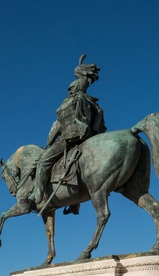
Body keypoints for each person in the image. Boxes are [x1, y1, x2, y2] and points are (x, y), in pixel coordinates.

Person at [32, 54, 106, 216]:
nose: (69, 90)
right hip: (90, 138)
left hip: (70, 139)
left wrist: (50, 141)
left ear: (73, 88)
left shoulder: (68, 103)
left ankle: (37, 193)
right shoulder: (93, 103)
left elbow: (57, 128)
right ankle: (74, 204)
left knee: (43, 162)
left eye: (70, 89)